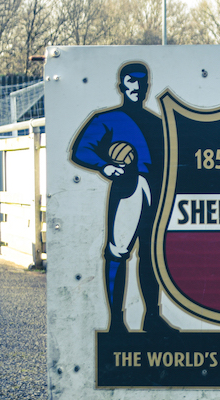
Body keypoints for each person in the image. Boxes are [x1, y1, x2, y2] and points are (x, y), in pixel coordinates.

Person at [70, 62, 166, 334]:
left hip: (155, 189)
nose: (137, 87)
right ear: (121, 85)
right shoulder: (106, 119)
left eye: (142, 81)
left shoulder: (156, 122)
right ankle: (116, 323)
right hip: (128, 187)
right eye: (131, 81)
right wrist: (105, 165)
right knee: (118, 253)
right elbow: (81, 149)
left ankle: (152, 317)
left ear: (148, 86)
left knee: (151, 254)